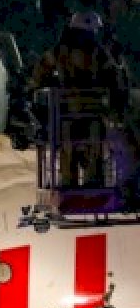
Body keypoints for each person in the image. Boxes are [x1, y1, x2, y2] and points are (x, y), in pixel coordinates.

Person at [30, 12, 126, 187]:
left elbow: (39, 72)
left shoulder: (61, 51)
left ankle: (71, 183)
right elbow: (115, 76)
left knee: (72, 147)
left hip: (68, 112)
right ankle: (91, 183)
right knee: (91, 146)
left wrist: (40, 86)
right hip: (88, 112)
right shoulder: (97, 53)